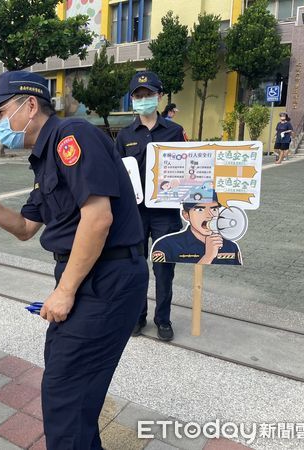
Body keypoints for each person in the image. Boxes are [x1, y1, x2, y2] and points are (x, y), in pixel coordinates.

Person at [0, 71, 148, 450]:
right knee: (70, 389)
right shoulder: (43, 159)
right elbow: (24, 227)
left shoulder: (72, 137)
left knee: (64, 394)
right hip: (90, 276)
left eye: (2, 113)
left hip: (108, 278)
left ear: (30, 105)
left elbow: (98, 218)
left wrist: (65, 291)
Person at [115, 71, 187, 342]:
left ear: (159, 97)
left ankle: (163, 319)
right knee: (136, 267)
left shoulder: (174, 131)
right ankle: (137, 317)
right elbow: (117, 174)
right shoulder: (124, 136)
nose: (144, 100)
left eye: (149, 95)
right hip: (134, 214)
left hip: (165, 215)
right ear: (133, 99)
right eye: (138, 96)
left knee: (164, 269)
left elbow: (188, 170)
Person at [151, 193, 242, 265]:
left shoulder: (231, 247)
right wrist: (208, 257)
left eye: (214, 209)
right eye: (200, 210)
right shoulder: (166, 246)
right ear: (186, 215)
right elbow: (164, 281)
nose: (210, 215)